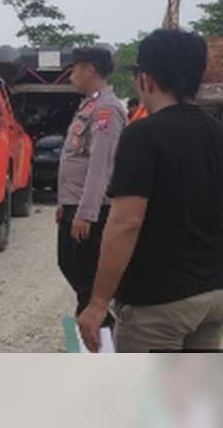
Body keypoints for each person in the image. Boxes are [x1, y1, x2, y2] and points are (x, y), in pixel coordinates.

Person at [78, 30, 223, 353]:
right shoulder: (219, 133)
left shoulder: (142, 136)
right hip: (215, 296)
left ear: (146, 79)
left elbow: (125, 223)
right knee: (192, 401)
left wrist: (98, 302)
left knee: (148, 402)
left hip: (159, 305)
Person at [57, 47, 126, 320]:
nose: (70, 75)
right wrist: (64, 203)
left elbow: (101, 165)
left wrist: (86, 213)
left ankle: (97, 343)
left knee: (86, 281)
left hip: (91, 211)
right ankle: (97, 337)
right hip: (74, 204)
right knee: (69, 266)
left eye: (73, 69)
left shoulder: (106, 109)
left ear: (90, 69)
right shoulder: (89, 104)